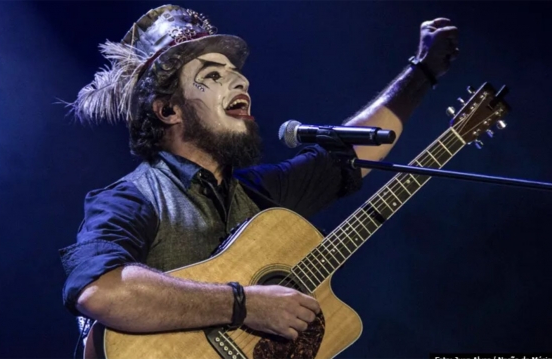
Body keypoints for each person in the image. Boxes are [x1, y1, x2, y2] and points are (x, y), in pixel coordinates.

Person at [59, 3, 458, 348]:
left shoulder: (261, 192)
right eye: (213, 75)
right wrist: (244, 305)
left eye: (236, 72)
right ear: (168, 111)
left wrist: (422, 72)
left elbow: (352, 153)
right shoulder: (130, 198)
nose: (242, 80)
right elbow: (101, 290)